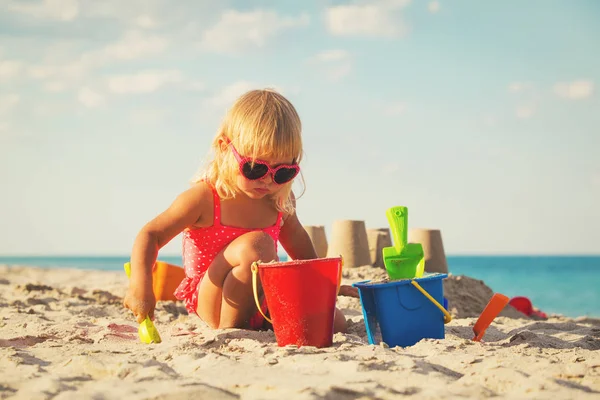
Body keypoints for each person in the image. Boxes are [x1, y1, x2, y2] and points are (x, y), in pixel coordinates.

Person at [123, 88, 356, 332]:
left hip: (262, 298)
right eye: (255, 168)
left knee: (335, 322)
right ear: (225, 148)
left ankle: (259, 324)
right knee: (258, 245)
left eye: (283, 172)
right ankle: (233, 330)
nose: (267, 181)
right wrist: (140, 285)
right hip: (214, 301)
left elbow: (297, 241)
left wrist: (325, 284)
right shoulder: (205, 198)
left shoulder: (279, 198)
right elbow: (151, 234)